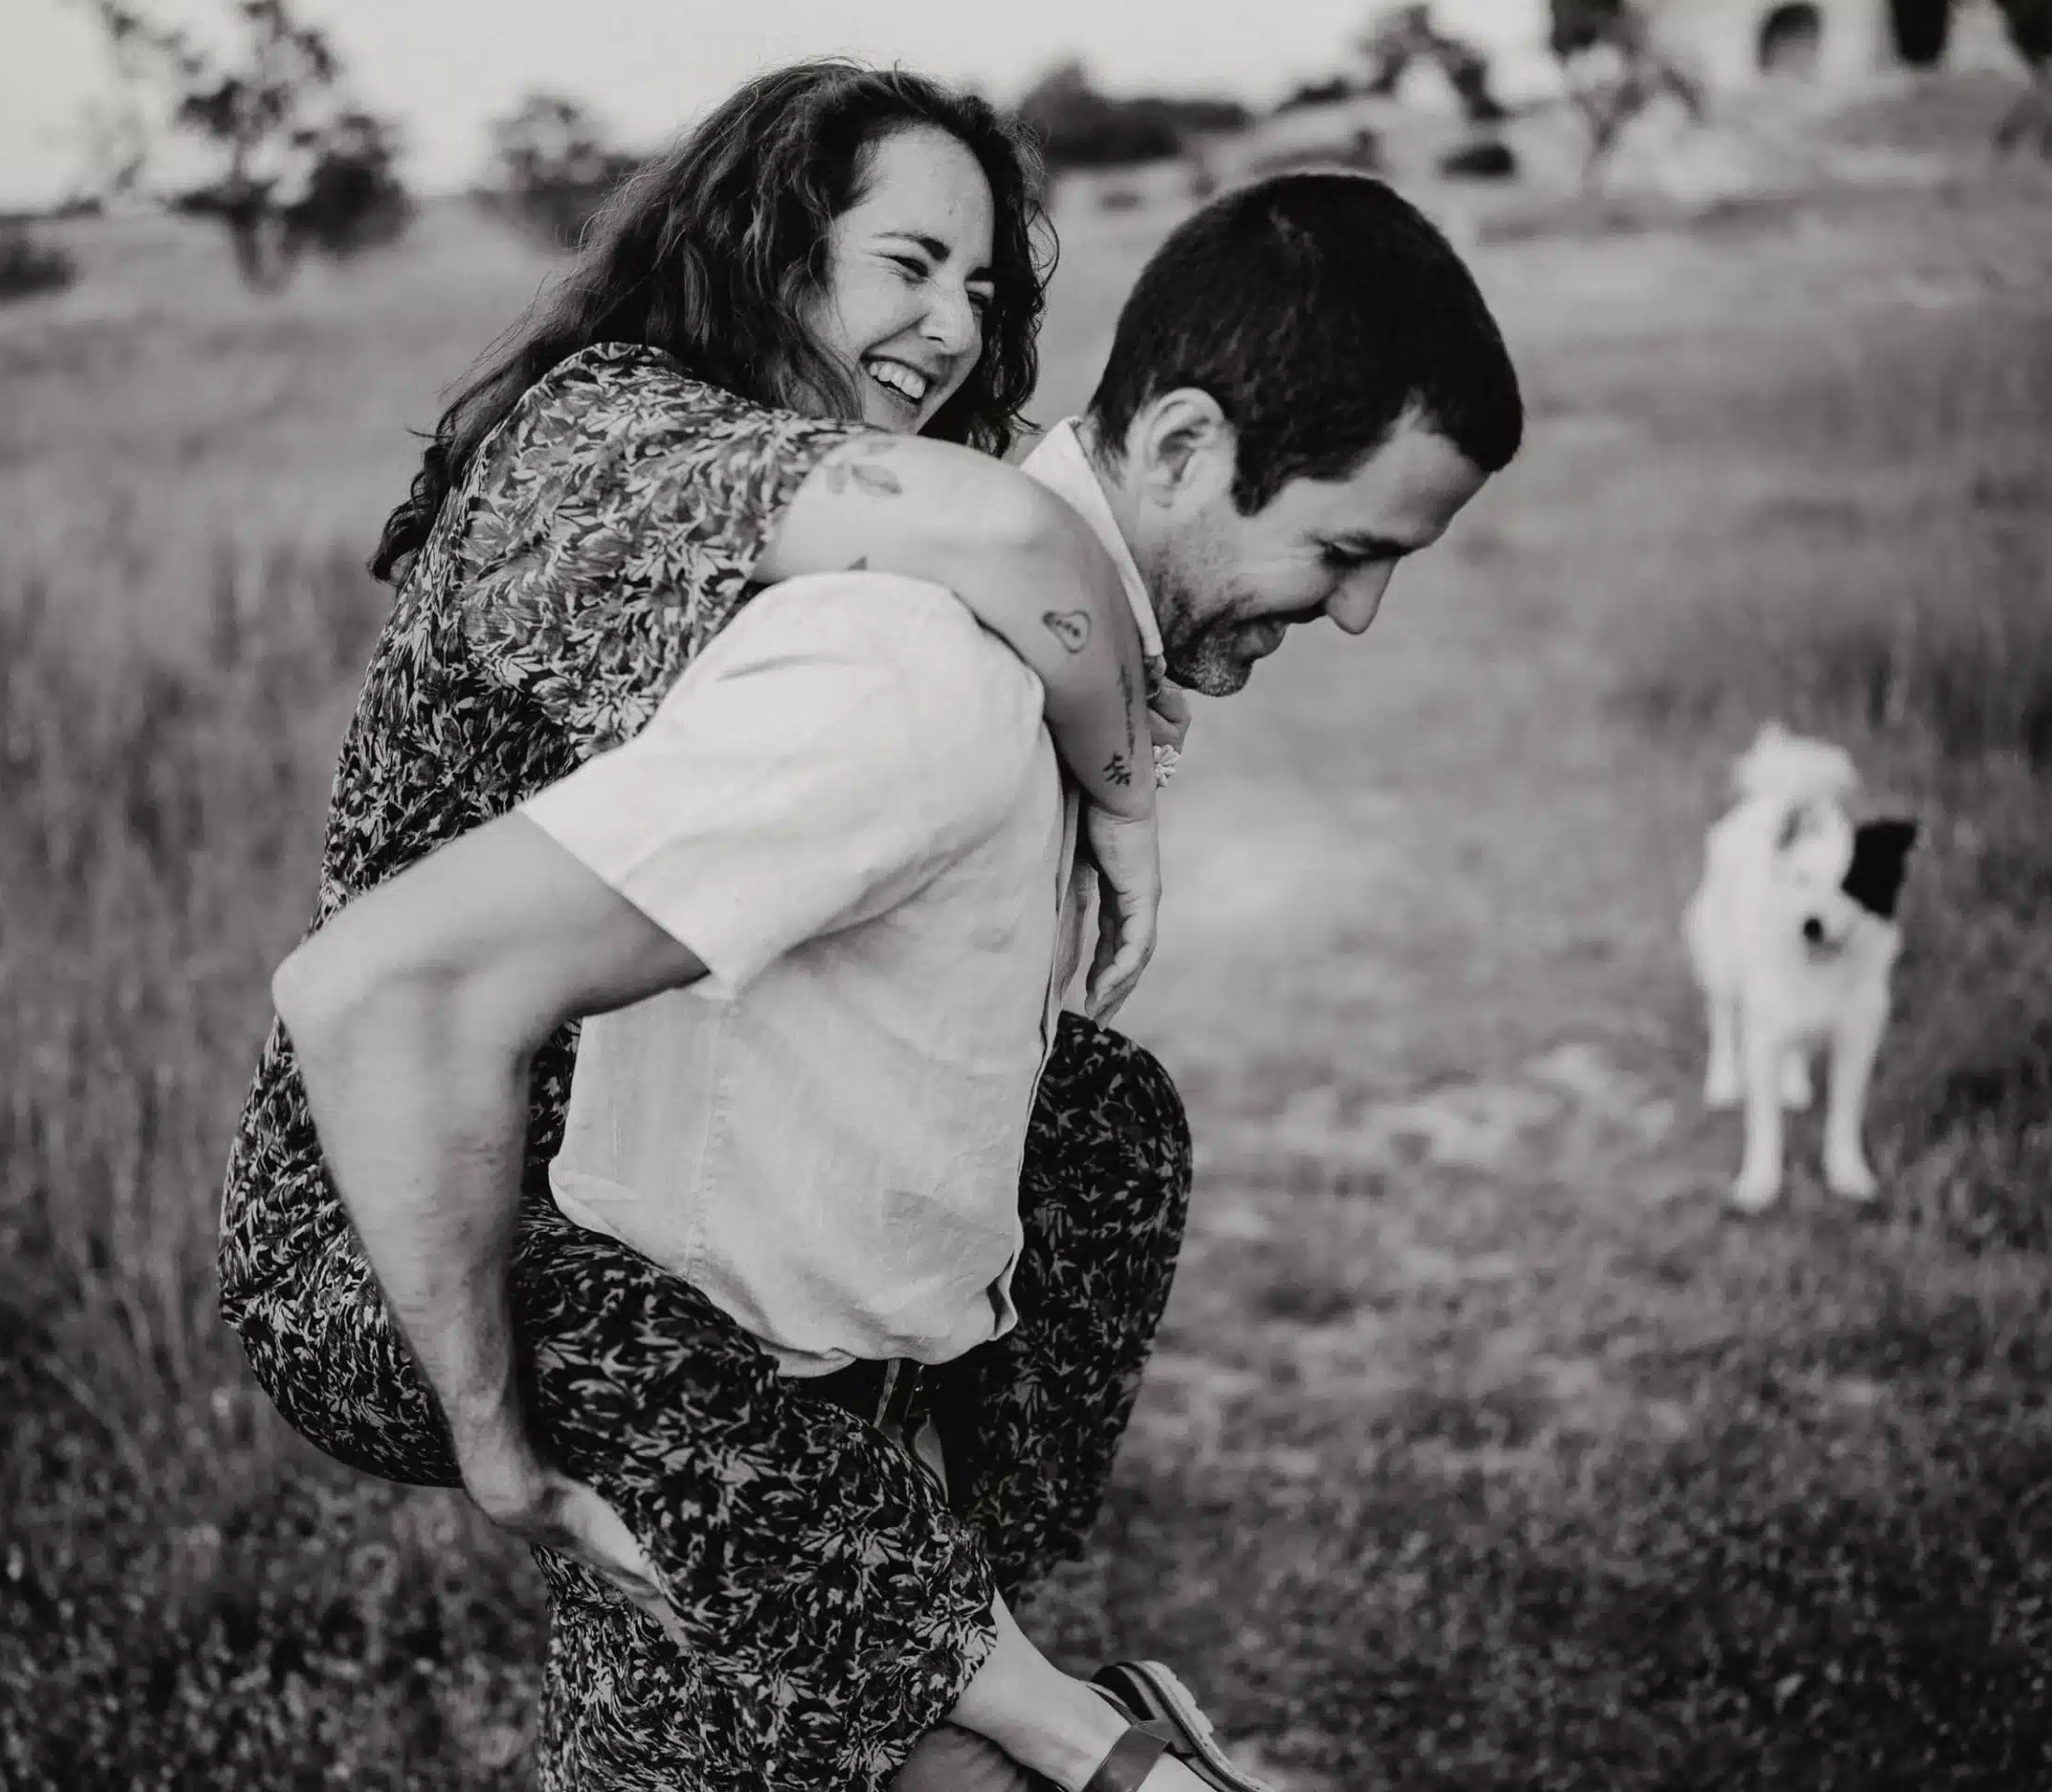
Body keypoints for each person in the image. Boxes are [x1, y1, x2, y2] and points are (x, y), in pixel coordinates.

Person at [224, 62, 1522, 1792]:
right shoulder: (678, 489)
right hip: (394, 1192)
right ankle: (1069, 1732)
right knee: (642, 1356)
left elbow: (1010, 538)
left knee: (1106, 1121)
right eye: (905, 264)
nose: (954, 328)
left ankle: (935, 1626)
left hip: (578, 1162)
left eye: (980, 288)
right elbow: (383, 989)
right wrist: (497, 1455)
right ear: (761, 246)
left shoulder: (865, 526)